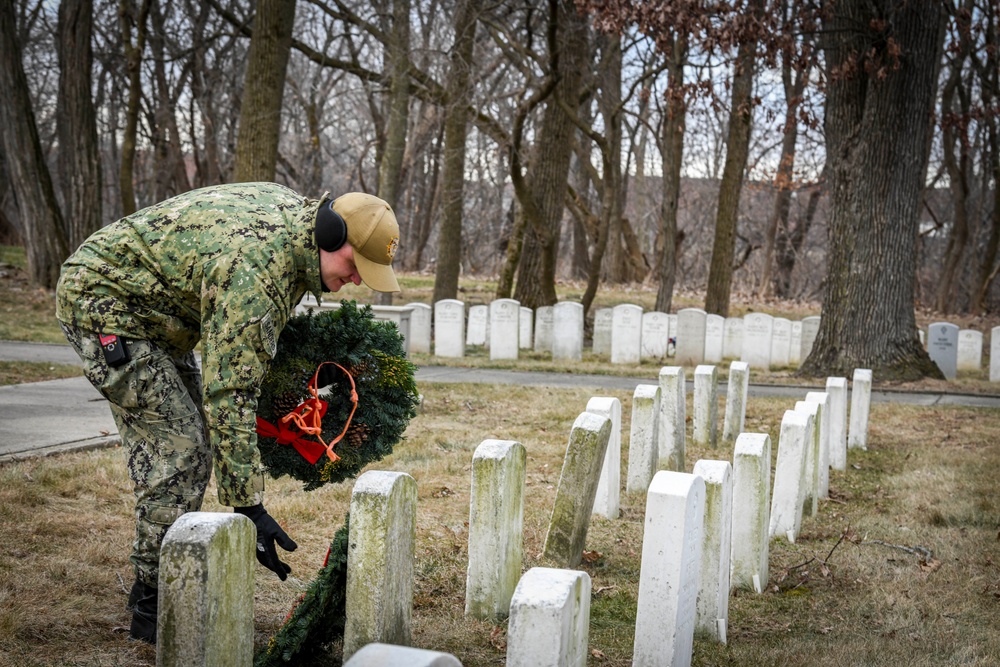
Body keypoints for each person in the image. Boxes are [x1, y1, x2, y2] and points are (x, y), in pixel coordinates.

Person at [55, 182, 401, 643]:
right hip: (107, 306)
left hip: (160, 318)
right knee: (182, 450)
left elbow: (247, 356)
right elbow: (230, 392)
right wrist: (249, 506)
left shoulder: (295, 237)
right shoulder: (256, 268)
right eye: (356, 266)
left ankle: (163, 570)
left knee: (189, 435)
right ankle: (152, 600)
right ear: (330, 234)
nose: (357, 280)